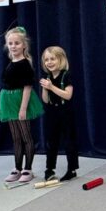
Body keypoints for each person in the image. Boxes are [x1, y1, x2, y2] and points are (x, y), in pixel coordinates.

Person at [0, 27, 43, 183]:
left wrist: (23, 108)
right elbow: (5, 86)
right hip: (8, 101)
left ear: (24, 45)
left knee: (26, 136)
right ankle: (17, 167)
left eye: (17, 43)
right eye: (10, 43)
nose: (13, 46)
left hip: (20, 101)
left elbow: (27, 87)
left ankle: (27, 168)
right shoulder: (11, 63)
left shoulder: (25, 64)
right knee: (16, 138)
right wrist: (0, 105)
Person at [39, 45, 78, 182]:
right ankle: (49, 169)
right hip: (52, 112)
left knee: (69, 141)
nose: (49, 62)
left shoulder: (66, 75)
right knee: (51, 141)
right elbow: (45, 100)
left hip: (65, 112)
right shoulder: (47, 77)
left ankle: (72, 169)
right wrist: (45, 89)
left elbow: (68, 95)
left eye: (52, 59)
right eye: (46, 60)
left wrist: (51, 87)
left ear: (61, 60)